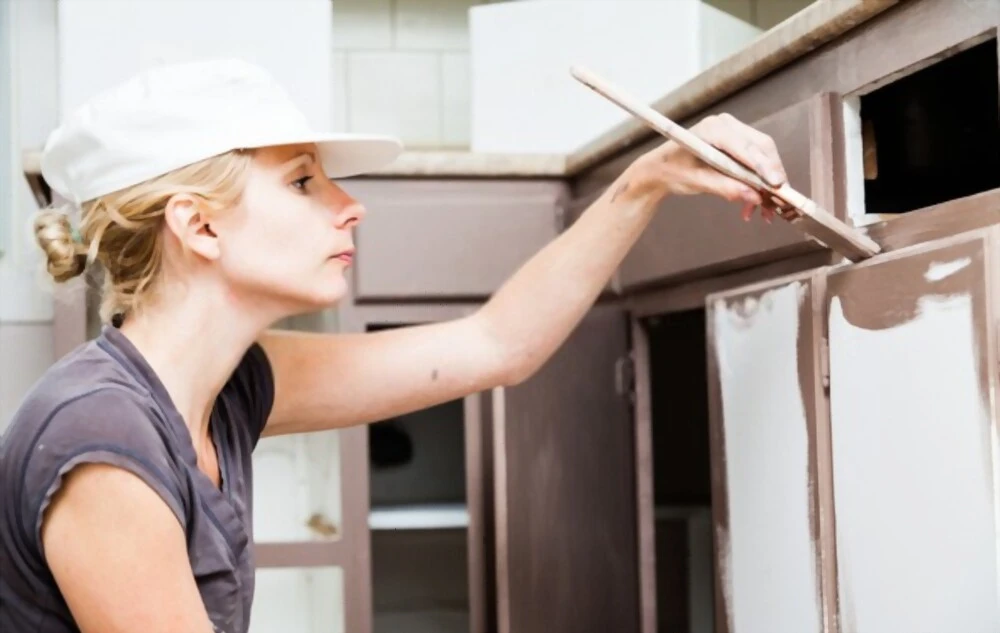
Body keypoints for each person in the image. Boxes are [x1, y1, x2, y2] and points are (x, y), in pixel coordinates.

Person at [0, 58, 786, 633]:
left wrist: (648, 178)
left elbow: (497, 344)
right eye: (304, 182)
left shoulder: (229, 385)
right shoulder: (102, 441)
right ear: (198, 225)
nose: (350, 207)